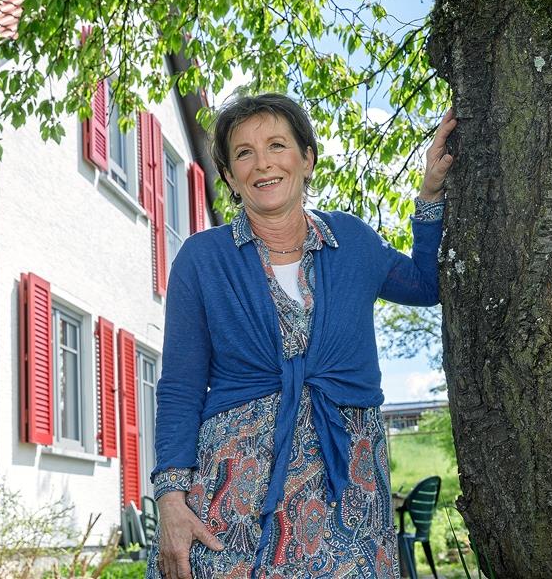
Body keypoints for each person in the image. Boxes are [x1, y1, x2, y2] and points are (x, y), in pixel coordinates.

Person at [147, 93, 456, 579]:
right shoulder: (202, 259)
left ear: (306, 157)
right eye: (244, 153)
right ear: (228, 175)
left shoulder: (352, 241)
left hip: (347, 490)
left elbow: (428, 283)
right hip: (234, 505)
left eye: (277, 145)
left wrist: (431, 194)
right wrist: (170, 501)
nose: (262, 163)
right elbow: (181, 389)